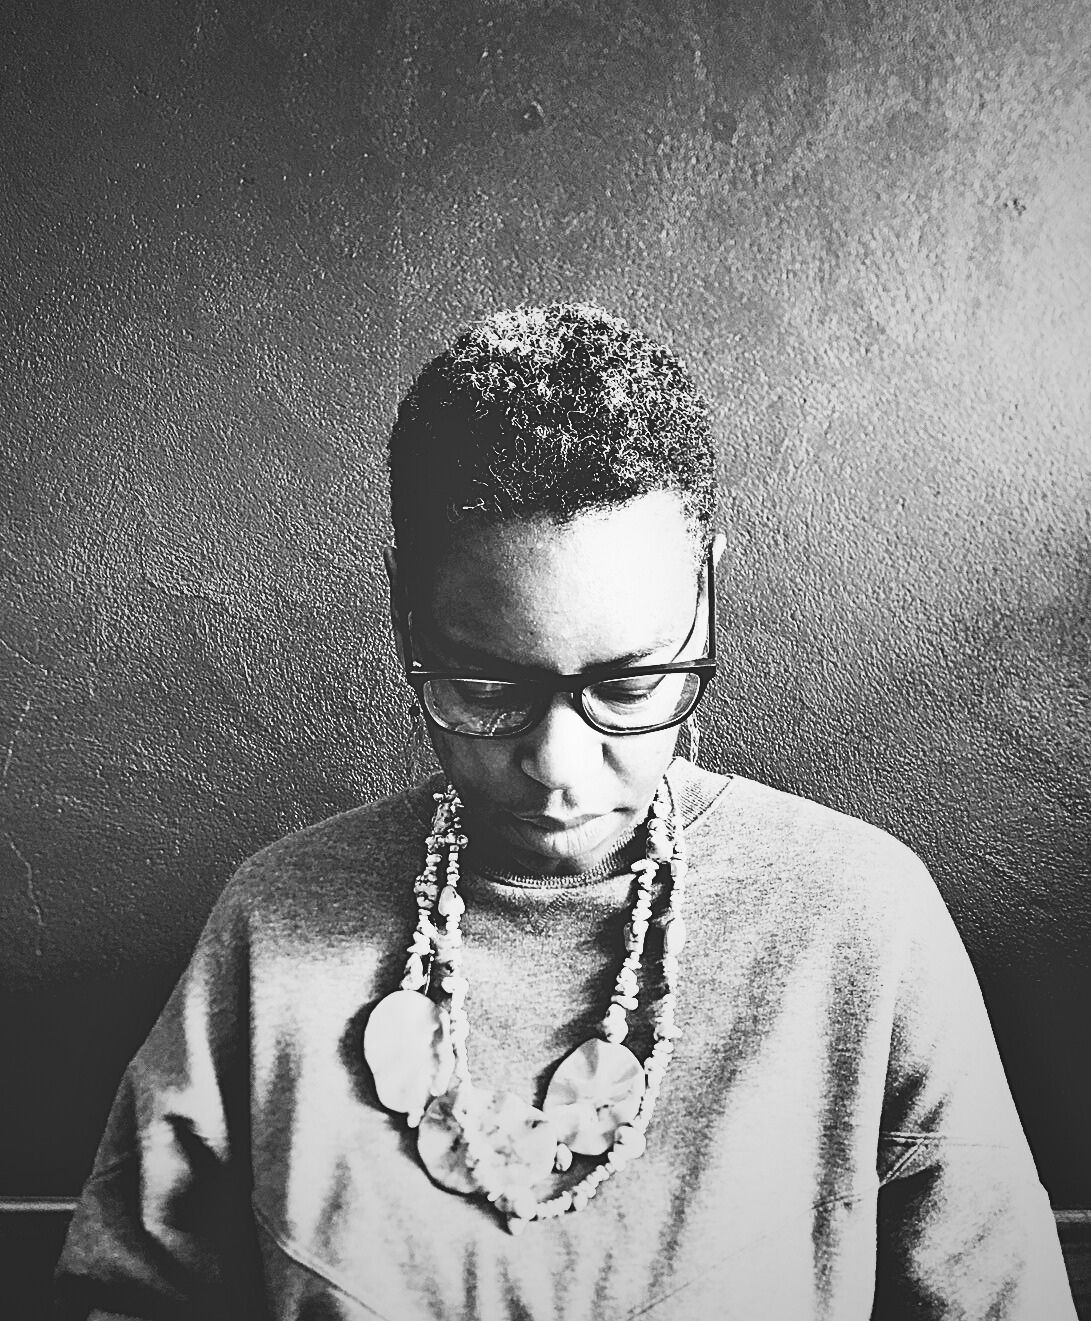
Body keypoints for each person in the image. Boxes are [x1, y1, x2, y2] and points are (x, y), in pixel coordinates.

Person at [56, 303, 1076, 1319]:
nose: (555, 766)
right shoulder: (271, 926)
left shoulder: (857, 920)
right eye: (485, 684)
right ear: (403, 610)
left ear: (704, 594)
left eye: (630, 685)